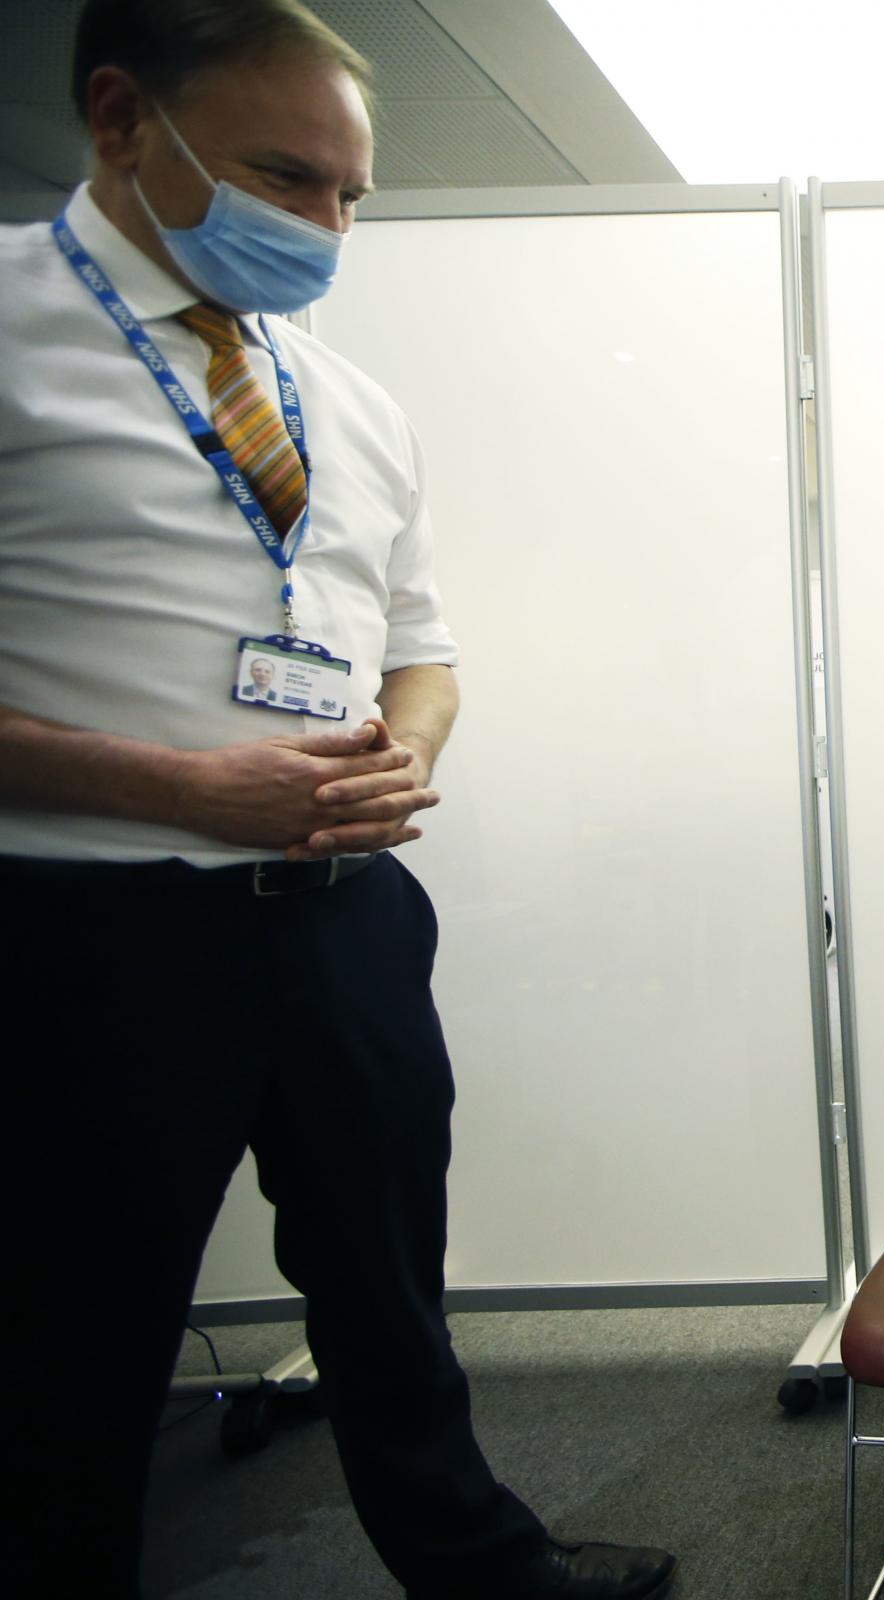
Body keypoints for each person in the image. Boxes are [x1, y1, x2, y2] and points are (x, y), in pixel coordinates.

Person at [0, 4, 674, 1596]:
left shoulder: (347, 401)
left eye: (351, 195)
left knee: (390, 1285)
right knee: (72, 1329)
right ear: (119, 119)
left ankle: (478, 1565)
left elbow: (424, 651)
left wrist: (404, 760)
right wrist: (177, 783)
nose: (326, 225)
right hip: (88, 935)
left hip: (343, 920)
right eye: (283, 178)